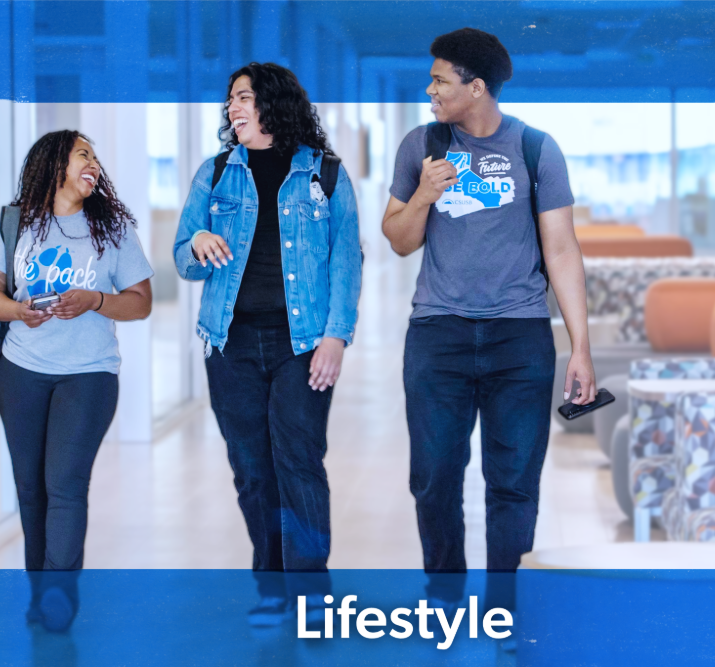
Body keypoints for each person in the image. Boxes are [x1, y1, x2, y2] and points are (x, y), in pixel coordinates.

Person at [382, 28, 596, 616]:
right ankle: (445, 596)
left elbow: (561, 250)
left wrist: (580, 347)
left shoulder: (536, 149)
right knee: (433, 481)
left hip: (519, 338)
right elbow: (398, 240)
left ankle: (506, 606)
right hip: (438, 334)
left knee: (513, 486)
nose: (430, 90)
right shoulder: (422, 144)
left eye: (440, 81)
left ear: (476, 89)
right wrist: (423, 195)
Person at [174, 63, 362, 626]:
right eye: (230, 99)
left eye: (245, 97)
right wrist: (198, 239)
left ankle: (310, 593)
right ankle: (272, 586)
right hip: (229, 342)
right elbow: (183, 256)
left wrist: (336, 337)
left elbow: (346, 260)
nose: (233, 107)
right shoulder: (214, 174)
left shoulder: (324, 175)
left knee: (299, 461)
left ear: (273, 104)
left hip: (300, 343)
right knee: (253, 469)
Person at [0, 130, 153, 630]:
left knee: (66, 485)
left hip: (90, 374)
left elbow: (140, 301)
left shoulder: (112, 228)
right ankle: (40, 592)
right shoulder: (15, 221)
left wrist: (95, 300)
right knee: (31, 489)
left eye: (95, 156)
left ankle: (59, 593)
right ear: (55, 165)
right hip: (21, 372)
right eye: (83, 155)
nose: (93, 163)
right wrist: (17, 311)